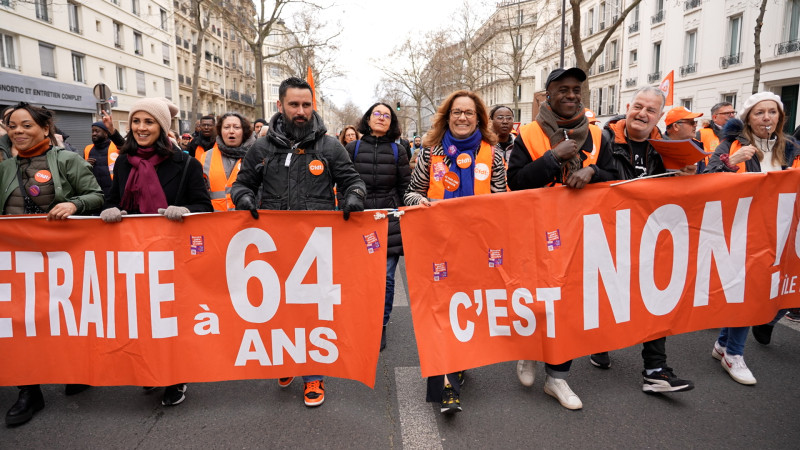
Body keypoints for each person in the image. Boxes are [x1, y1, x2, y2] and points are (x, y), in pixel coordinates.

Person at [231, 77, 366, 408]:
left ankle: (314, 375)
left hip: (315, 250)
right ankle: (286, 360)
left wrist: (354, 197)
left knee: (312, 313)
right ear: (280, 106)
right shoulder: (261, 148)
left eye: (306, 105)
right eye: (294, 105)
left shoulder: (330, 146)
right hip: (273, 248)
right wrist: (244, 198)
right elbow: (240, 185)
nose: (301, 111)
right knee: (278, 311)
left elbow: (354, 182)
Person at [508, 68, 616, 410]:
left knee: (570, 305)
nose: (571, 96)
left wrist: (593, 172)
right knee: (537, 299)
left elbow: (617, 179)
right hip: (537, 231)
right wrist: (553, 158)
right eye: (563, 90)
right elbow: (516, 182)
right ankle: (529, 352)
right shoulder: (527, 133)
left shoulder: (598, 135)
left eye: (576, 90)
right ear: (548, 94)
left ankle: (557, 377)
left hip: (582, 234)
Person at [99, 97, 213, 407]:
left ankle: (175, 376)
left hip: (172, 256)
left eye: (148, 122)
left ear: (161, 127)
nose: (140, 127)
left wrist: (184, 209)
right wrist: (110, 210)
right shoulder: (123, 162)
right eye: (136, 122)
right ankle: (150, 369)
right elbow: (112, 200)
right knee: (141, 318)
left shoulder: (187, 164)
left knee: (171, 319)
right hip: (134, 255)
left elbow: (205, 206)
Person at [1, 102, 104, 426]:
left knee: (65, 316)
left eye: (26, 125)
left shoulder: (68, 160)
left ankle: (73, 370)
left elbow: (97, 196)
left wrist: (73, 205)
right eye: (12, 126)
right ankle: (29, 391)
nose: (18, 131)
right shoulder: (4, 168)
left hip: (63, 258)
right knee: (22, 323)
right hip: (19, 264)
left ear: (45, 129)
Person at [404, 90, 506, 414]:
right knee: (440, 314)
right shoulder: (431, 152)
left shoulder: (494, 154)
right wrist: (422, 203)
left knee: (466, 313)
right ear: (447, 117)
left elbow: (505, 201)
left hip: (477, 249)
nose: (462, 118)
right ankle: (447, 386)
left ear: (479, 118)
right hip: (438, 248)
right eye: (456, 112)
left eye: (469, 113)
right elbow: (409, 194)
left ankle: (460, 363)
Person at [593, 86, 696, 394]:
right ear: (628, 105)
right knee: (608, 294)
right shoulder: (602, 140)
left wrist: (685, 175)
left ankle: (656, 370)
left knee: (657, 296)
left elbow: (675, 190)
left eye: (651, 110)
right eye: (639, 106)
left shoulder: (666, 149)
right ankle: (600, 342)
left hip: (650, 237)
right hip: (608, 234)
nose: (642, 113)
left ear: (659, 117)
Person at [706, 92, 798, 369]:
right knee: (750, 291)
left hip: (782, 233)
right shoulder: (730, 144)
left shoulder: (792, 148)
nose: (766, 118)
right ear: (748, 118)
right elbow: (707, 181)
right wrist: (731, 162)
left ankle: (723, 343)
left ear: (780, 118)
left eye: (772, 112)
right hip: (743, 231)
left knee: (781, 291)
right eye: (759, 112)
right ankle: (734, 355)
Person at [345, 103, 411, 352]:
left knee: (386, 277)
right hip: (359, 220)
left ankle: (380, 323)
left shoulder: (398, 151)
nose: (381, 118)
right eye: (377, 114)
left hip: (388, 221)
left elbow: (405, 187)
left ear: (391, 121)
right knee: (360, 277)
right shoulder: (353, 148)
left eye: (386, 115)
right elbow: (343, 182)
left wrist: (407, 212)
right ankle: (361, 319)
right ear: (368, 119)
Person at [197, 112, 255, 211]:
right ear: (220, 131)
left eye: (236, 127)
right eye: (226, 127)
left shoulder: (255, 155)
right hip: (216, 221)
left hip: (247, 220)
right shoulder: (206, 157)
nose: (231, 131)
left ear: (244, 131)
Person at [84, 111, 125, 199]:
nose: (94, 133)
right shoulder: (87, 149)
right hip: (96, 193)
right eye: (92, 131)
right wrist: (85, 164)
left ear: (106, 134)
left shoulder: (115, 146)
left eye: (97, 131)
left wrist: (112, 129)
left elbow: (124, 146)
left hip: (115, 192)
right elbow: (81, 170)